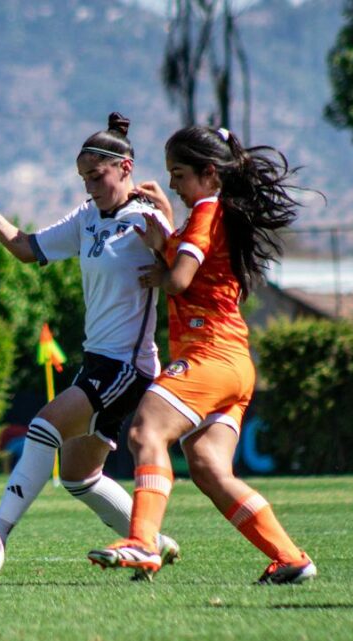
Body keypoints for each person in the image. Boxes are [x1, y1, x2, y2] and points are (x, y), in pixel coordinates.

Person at [87, 125, 317, 584]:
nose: (172, 183)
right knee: (210, 468)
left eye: (178, 173)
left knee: (146, 431)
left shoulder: (206, 211)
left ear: (210, 174)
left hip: (208, 353)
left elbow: (180, 281)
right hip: (234, 361)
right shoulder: (214, 212)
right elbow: (190, 266)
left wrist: (160, 262)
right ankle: (290, 557)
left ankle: (142, 541)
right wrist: (166, 243)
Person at [0, 113, 179, 578]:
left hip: (127, 367)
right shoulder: (87, 218)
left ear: (125, 167)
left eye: (97, 176)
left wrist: (170, 231)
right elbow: (27, 248)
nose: (90, 187)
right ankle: (152, 543)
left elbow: (182, 271)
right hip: (97, 364)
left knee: (44, 424)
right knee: (79, 477)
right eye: (83, 178)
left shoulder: (145, 217)